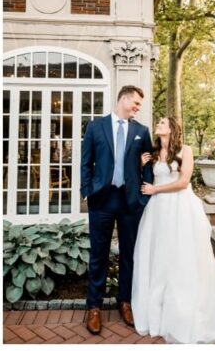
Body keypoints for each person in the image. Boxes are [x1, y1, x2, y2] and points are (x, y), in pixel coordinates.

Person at [131, 117, 215, 343]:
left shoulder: (185, 150)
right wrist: (142, 167)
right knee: (159, 257)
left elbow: (183, 182)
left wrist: (156, 189)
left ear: (171, 128)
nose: (158, 124)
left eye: (162, 122)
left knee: (181, 257)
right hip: (158, 211)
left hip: (180, 208)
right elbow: (146, 182)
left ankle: (185, 313)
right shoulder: (151, 153)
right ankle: (159, 313)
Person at [80, 86, 154, 335]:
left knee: (128, 255)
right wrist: (87, 190)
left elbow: (149, 168)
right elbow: (85, 162)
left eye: (139, 105)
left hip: (130, 202)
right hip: (102, 200)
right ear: (122, 99)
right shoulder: (95, 127)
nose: (137, 108)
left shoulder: (141, 132)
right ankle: (94, 307)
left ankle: (125, 302)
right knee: (98, 254)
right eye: (134, 103)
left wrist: (142, 199)